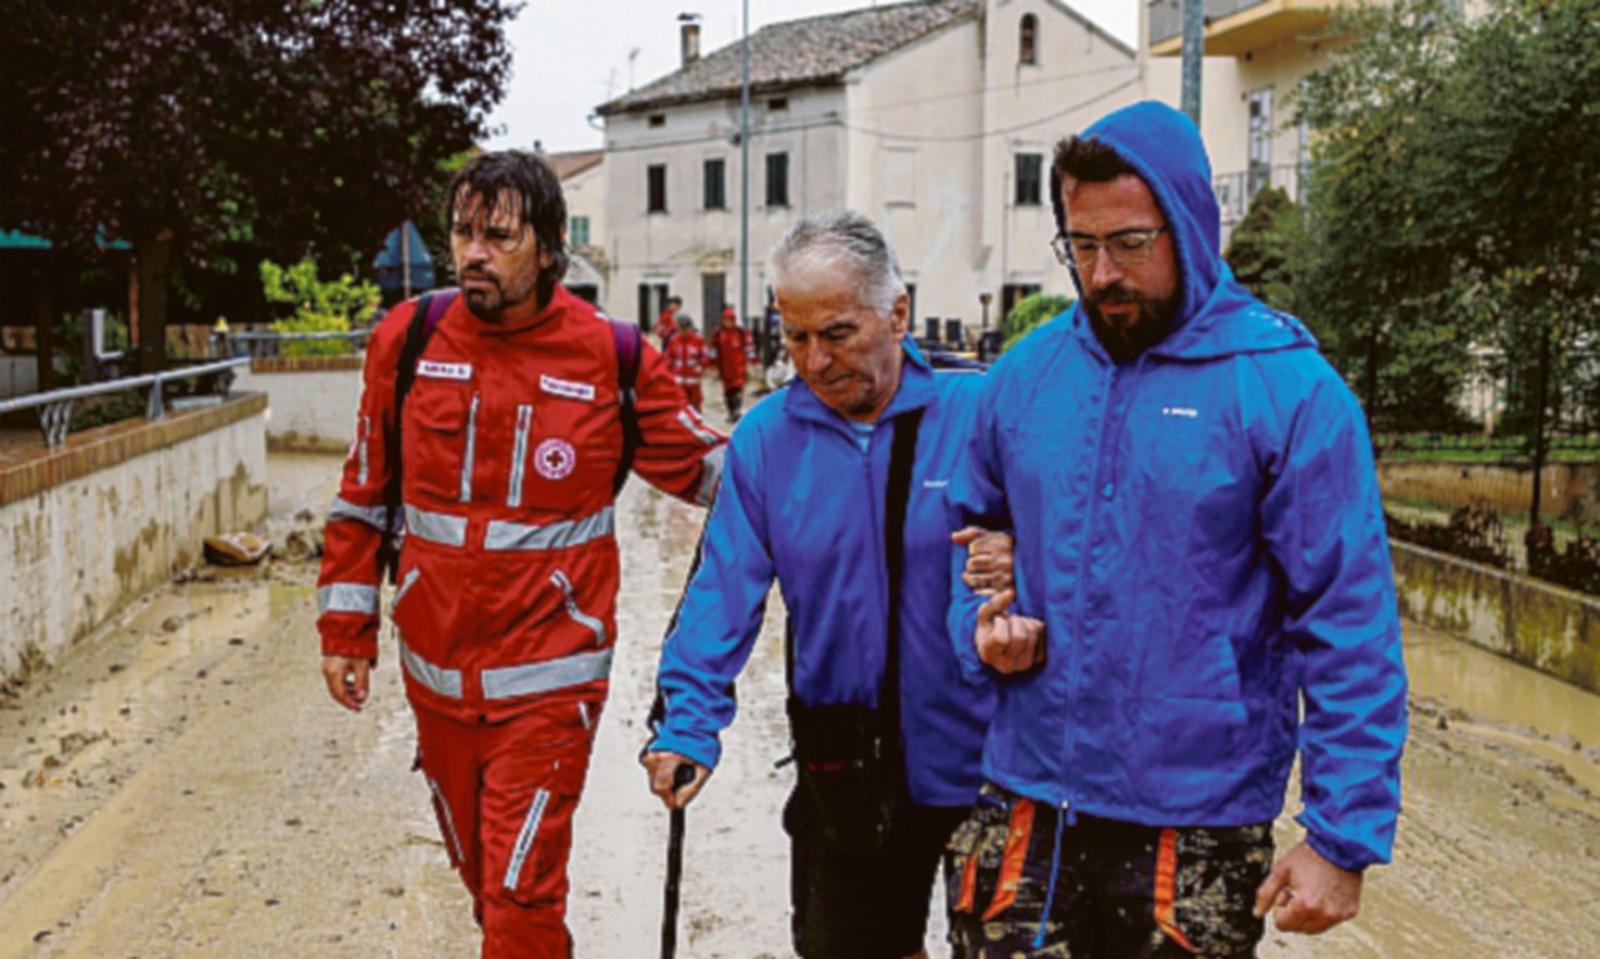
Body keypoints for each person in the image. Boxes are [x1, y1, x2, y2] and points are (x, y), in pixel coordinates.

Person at [944, 100, 1408, 957]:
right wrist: (981, 628)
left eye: (1130, 243)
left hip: (1198, 820)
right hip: (1026, 798)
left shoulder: (1289, 391)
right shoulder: (1023, 378)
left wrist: (1342, 838)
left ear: (1189, 225)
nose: (1102, 272)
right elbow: (967, 546)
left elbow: (1348, 623)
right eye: (1080, 245)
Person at [315, 150, 725, 958]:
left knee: (519, 892)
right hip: (434, 679)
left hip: (551, 680)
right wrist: (344, 629)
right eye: (463, 232)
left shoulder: (613, 356)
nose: (473, 252)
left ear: (546, 248)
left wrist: (830, 450)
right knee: (488, 892)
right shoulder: (408, 339)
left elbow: (711, 471)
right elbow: (363, 491)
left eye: (497, 235)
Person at [642, 211, 1004, 959]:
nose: (815, 360)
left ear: (897, 313)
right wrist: (687, 723)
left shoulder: (981, 414)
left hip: (989, 754)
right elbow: (720, 593)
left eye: (837, 333)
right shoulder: (767, 439)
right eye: (795, 336)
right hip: (848, 758)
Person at [709, 305, 757, 421]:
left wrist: (753, 361)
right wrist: (711, 364)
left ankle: (736, 410)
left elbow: (749, 348)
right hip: (725, 369)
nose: (728, 323)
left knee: (737, 391)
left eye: (730, 320)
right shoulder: (719, 334)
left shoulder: (741, 333)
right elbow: (713, 350)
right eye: (726, 320)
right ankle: (731, 412)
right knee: (728, 393)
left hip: (738, 369)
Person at [665, 312, 710, 411]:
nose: (684, 332)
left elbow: (705, 356)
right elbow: (668, 357)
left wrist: (700, 367)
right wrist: (669, 373)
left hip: (693, 380)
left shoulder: (698, 340)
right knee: (681, 406)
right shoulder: (673, 340)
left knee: (696, 406)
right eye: (681, 329)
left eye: (686, 329)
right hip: (679, 380)